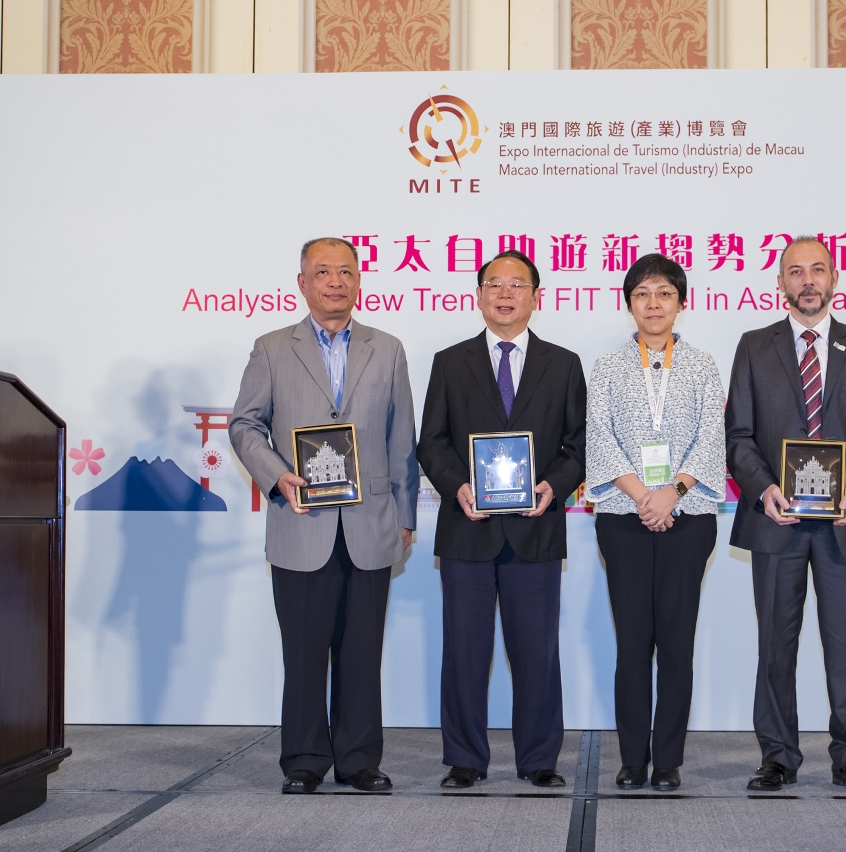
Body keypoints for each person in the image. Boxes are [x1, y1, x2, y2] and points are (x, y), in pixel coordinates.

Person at [229, 237, 418, 795]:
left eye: (346, 271)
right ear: (303, 282)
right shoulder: (270, 348)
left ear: (360, 281)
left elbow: (401, 436)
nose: (336, 281)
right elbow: (244, 425)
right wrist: (275, 474)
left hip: (370, 524)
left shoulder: (387, 348)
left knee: (362, 652)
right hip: (301, 523)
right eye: (323, 271)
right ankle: (305, 760)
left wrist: (405, 513)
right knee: (305, 652)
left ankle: (359, 760)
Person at [725, 236, 846, 794]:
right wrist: (762, 488)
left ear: (834, 279)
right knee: (775, 642)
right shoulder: (754, 346)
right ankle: (777, 755)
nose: (807, 281)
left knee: (844, 642)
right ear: (779, 283)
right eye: (795, 271)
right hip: (776, 519)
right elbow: (739, 437)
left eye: (817, 270)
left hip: (844, 521)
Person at [417, 249, 586, 789]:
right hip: (467, 528)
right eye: (494, 283)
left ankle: (539, 759)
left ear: (537, 296)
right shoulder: (450, 361)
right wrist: (457, 486)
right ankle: (465, 758)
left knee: (537, 651)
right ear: (479, 294)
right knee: (465, 651)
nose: (506, 293)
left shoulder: (563, 364)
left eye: (518, 284)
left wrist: (552, 487)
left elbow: (579, 446)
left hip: (535, 528)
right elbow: (432, 443)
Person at [585, 254, 725, 791]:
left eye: (664, 293)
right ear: (629, 304)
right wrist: (645, 495)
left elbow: (711, 438)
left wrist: (674, 492)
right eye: (642, 293)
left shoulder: (703, 366)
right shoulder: (607, 368)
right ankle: (631, 758)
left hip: (688, 517)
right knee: (632, 642)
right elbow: (599, 437)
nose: (653, 303)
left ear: (681, 303)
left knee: (677, 640)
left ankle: (667, 760)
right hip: (624, 516)